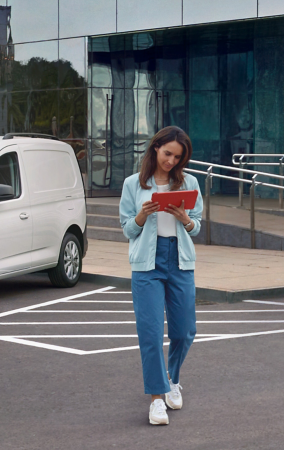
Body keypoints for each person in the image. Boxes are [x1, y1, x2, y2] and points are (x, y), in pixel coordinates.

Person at [119, 126, 204, 426]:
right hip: (147, 263)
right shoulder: (133, 184)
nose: (171, 161)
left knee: (184, 331)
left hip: (180, 259)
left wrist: (185, 220)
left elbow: (198, 225)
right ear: (155, 148)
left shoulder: (189, 182)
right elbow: (127, 228)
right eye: (167, 153)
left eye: (177, 157)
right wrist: (142, 216)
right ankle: (157, 398)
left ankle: (173, 378)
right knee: (151, 333)